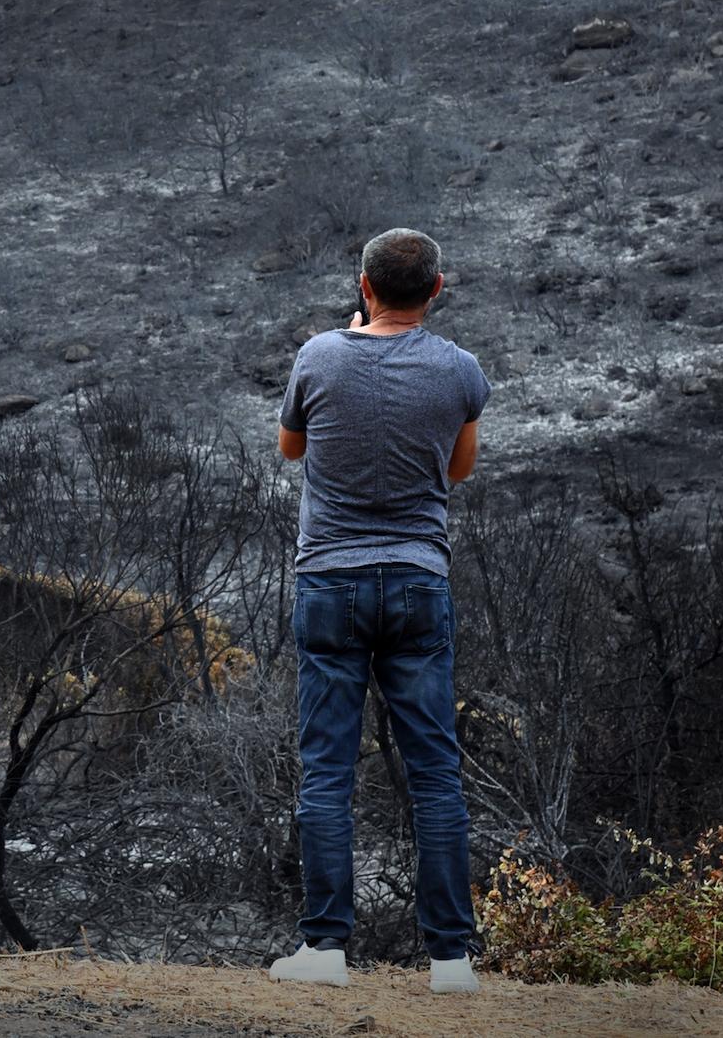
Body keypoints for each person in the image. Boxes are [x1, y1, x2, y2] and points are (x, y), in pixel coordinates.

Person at [265, 228, 491, 994]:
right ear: (435, 290)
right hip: (419, 580)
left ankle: (325, 948)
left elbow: (291, 449)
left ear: (364, 287)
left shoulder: (319, 357)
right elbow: (457, 468)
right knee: (435, 773)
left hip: (330, 579)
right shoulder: (460, 370)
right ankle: (451, 960)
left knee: (327, 769)